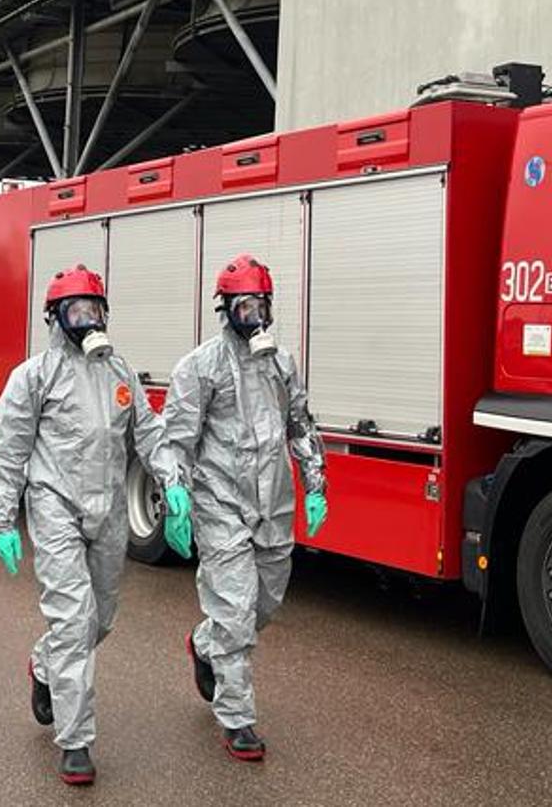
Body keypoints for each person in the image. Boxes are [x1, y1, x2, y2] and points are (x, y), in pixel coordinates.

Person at [0, 265, 192, 786]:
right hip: (56, 506)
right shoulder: (34, 377)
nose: (87, 319)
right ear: (56, 318)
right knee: (75, 621)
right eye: (76, 310)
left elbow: (149, 434)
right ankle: (76, 742)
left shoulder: (118, 373)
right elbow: (9, 453)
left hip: (109, 512)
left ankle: (43, 664)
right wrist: (3, 519)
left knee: (100, 619)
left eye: (94, 309)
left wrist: (171, 481)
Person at [155, 254, 327, 761]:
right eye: (244, 305)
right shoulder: (201, 367)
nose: (254, 314)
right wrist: (176, 495)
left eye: (261, 304)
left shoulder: (282, 363)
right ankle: (237, 719)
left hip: (272, 502)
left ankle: (204, 645)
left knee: (264, 606)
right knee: (234, 608)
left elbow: (300, 424)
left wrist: (316, 483)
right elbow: (176, 441)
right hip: (220, 503)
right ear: (225, 309)